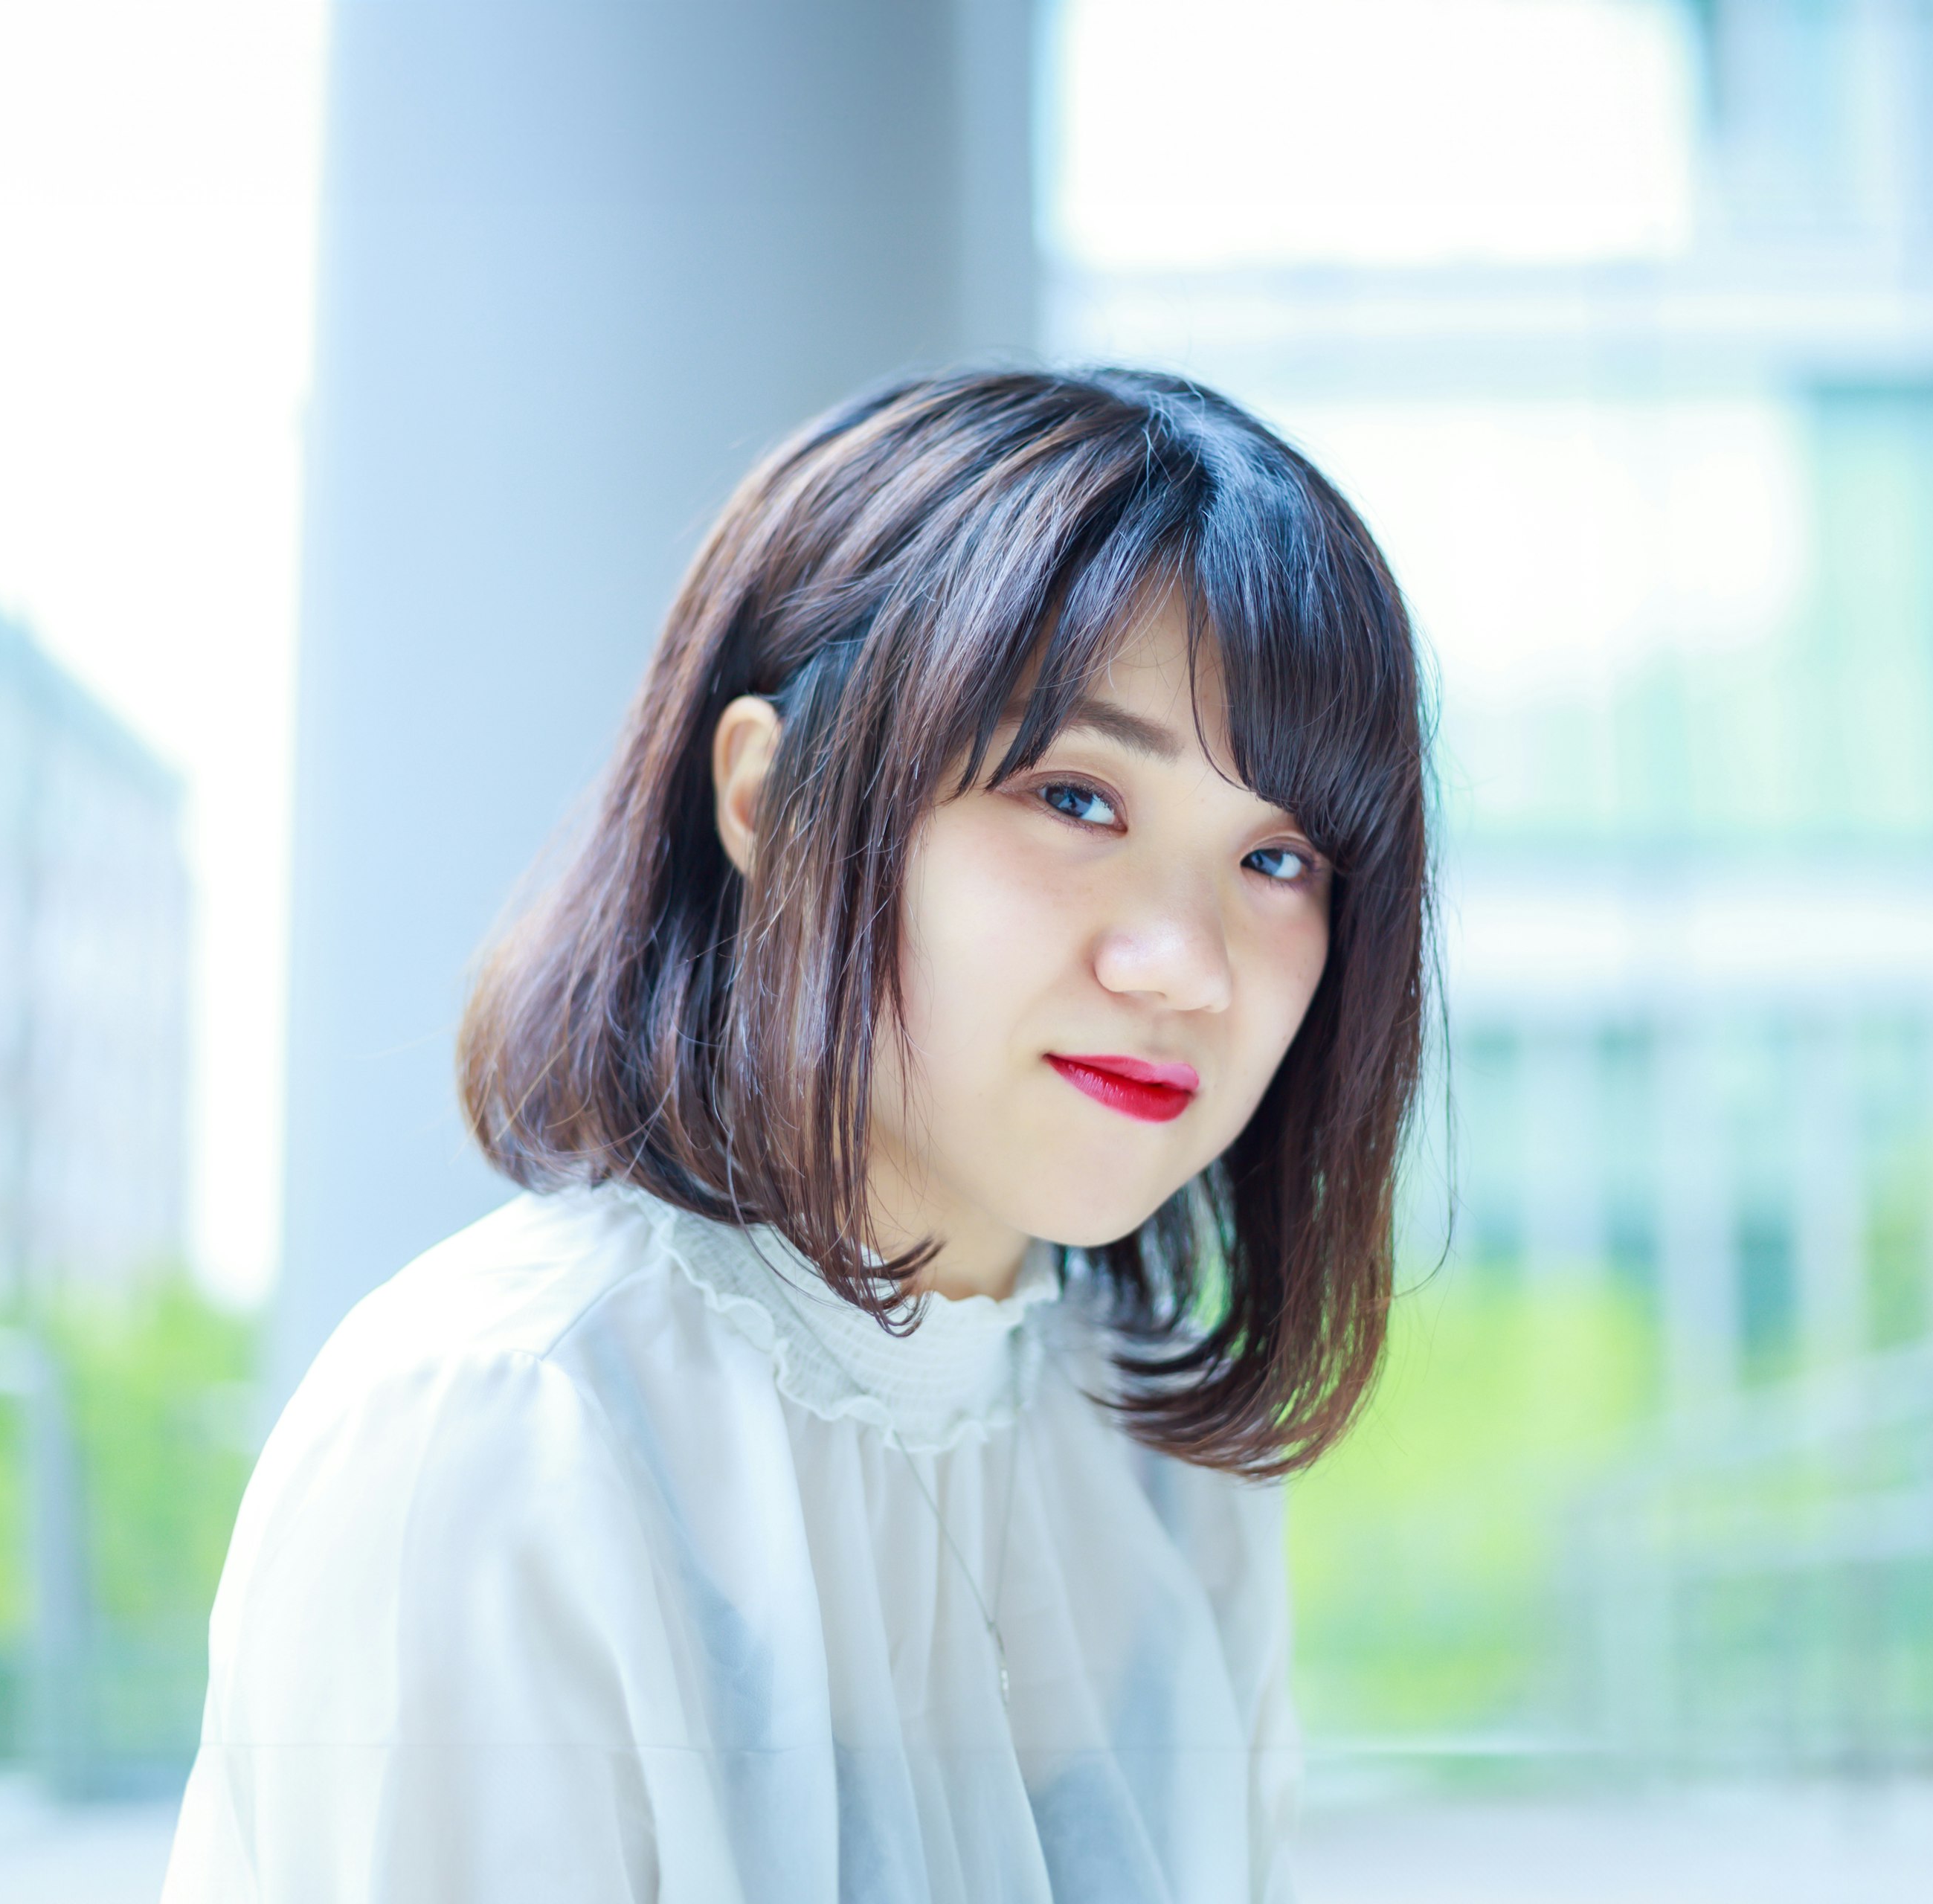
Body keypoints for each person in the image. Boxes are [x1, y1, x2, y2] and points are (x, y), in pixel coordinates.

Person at [161, 368, 1433, 1903]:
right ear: (768, 797)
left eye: (1278, 852)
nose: (1188, 958)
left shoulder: (1164, 1465)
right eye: (1079, 796)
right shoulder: (505, 1426)